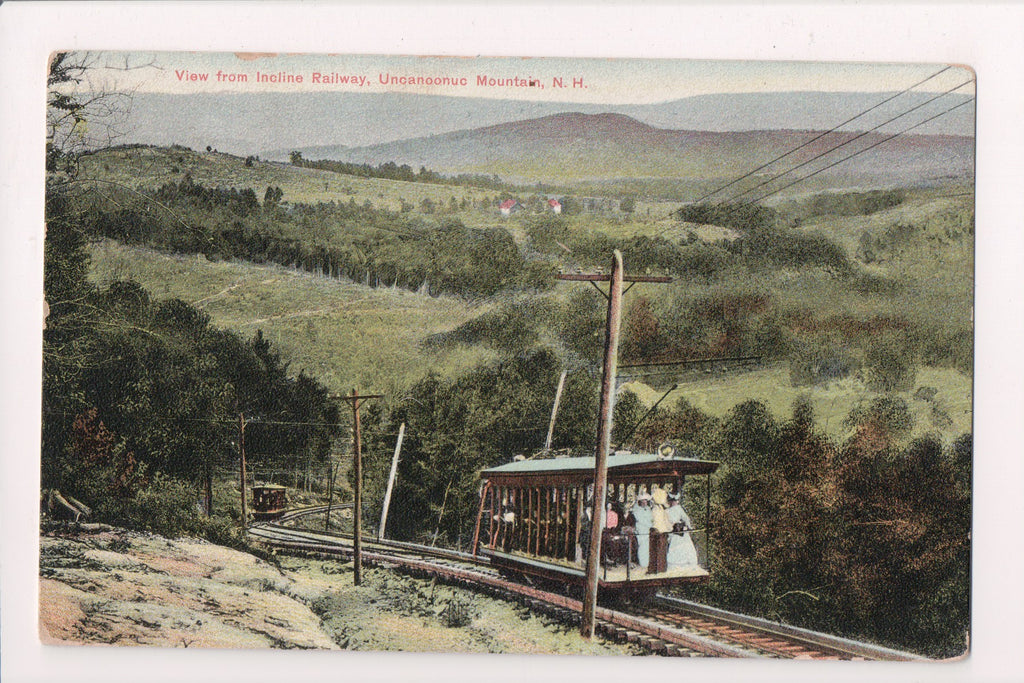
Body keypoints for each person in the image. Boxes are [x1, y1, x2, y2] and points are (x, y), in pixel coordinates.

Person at [666, 492, 699, 568]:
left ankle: (684, 562)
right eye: (672, 501)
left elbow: (686, 518)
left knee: (684, 545)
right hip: (673, 530)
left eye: (675, 501)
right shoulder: (668, 511)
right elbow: (685, 518)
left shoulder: (677, 508)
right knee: (676, 545)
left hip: (678, 530)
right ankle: (676, 563)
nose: (674, 503)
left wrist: (688, 526)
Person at [629, 492, 653, 569]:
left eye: (645, 501)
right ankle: (643, 563)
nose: (644, 502)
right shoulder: (636, 510)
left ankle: (648, 562)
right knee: (642, 546)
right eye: (643, 501)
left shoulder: (648, 509)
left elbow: (650, 518)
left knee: (648, 545)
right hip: (641, 529)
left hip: (648, 529)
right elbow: (641, 520)